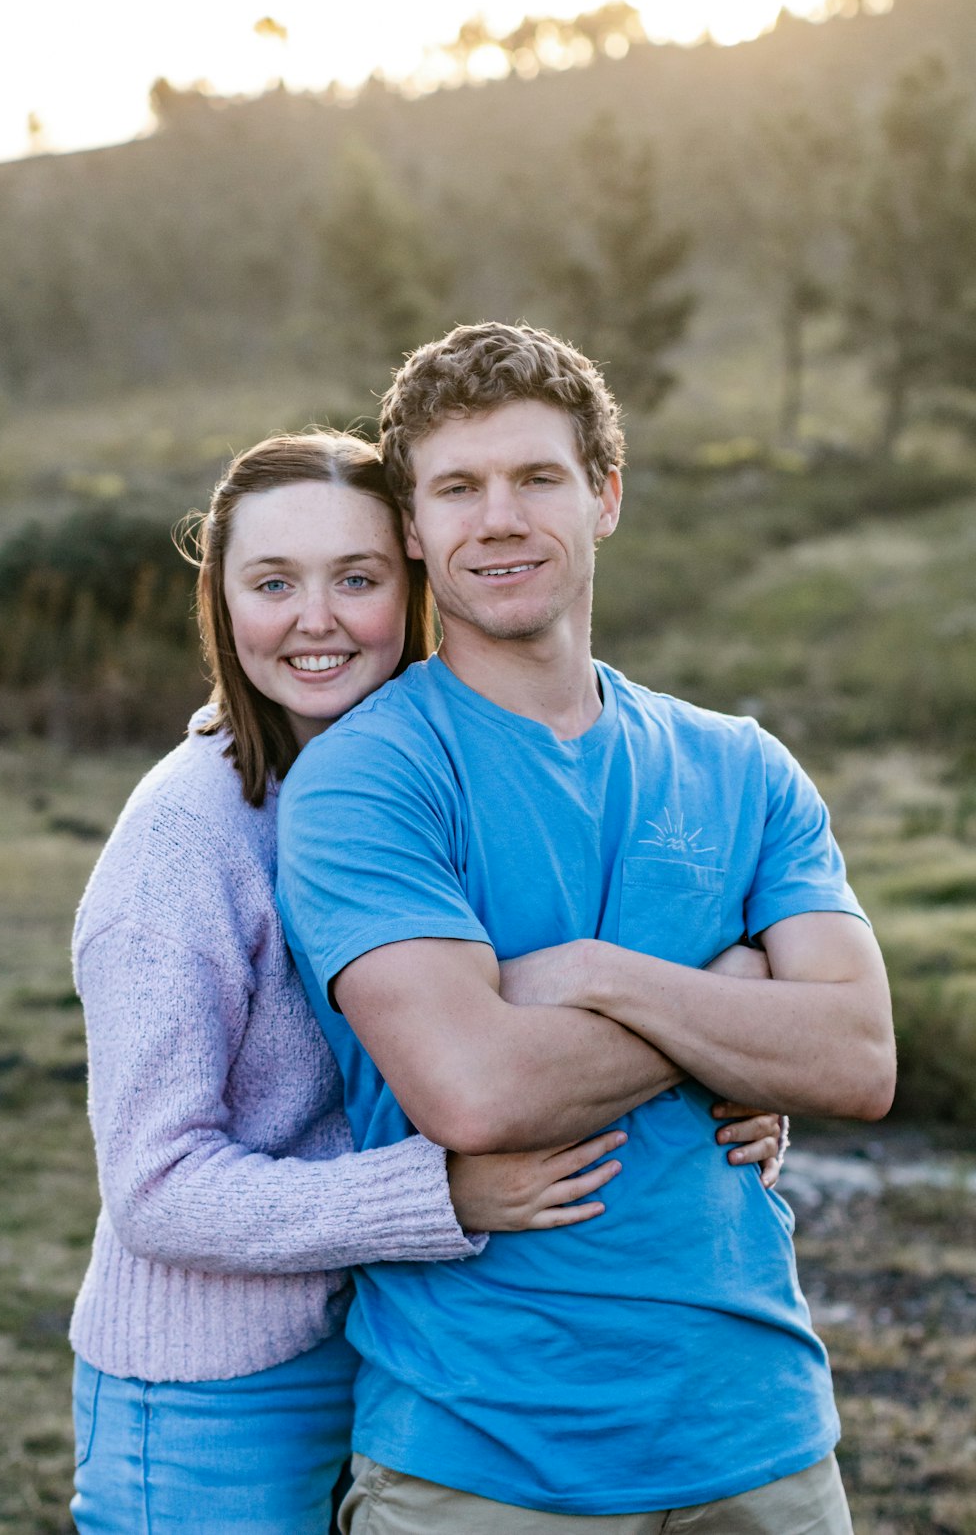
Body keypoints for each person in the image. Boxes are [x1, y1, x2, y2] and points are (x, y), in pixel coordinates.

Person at [68, 430, 785, 1535]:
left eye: (357, 580)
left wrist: (730, 1054)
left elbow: (526, 1031)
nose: (318, 619)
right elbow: (156, 1185)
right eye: (273, 583)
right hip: (215, 1388)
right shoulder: (183, 843)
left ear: (413, 582)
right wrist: (436, 1194)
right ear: (220, 602)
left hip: (380, 1345)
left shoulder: (421, 788)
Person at [276, 324, 897, 1534]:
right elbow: (477, 1094)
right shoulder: (370, 780)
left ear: (605, 496)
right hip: (486, 1462)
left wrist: (604, 977)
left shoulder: (741, 766)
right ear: (412, 528)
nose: (498, 518)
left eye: (537, 478)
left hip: (761, 1439)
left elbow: (861, 1058)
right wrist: (731, 1003)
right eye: (458, 488)